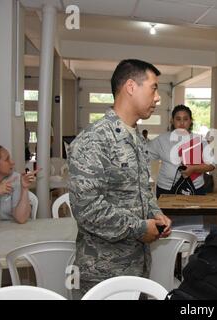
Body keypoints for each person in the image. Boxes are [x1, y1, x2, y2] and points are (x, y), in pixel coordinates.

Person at [68, 59, 172, 296]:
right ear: (131, 87)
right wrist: (138, 228)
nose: (158, 98)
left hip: (138, 266)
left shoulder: (136, 138)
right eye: (154, 88)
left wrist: (155, 214)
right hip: (105, 272)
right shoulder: (94, 141)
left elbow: (142, 189)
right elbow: (88, 209)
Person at [148, 104, 215, 198]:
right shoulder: (161, 140)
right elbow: (144, 154)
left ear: (191, 121)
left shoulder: (200, 140)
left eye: (185, 119)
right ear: (172, 120)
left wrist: (194, 169)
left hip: (195, 188)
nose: (182, 123)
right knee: (166, 213)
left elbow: (212, 165)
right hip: (166, 189)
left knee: (194, 213)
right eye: (178, 119)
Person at [0, 145, 40, 223]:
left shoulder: (15, 179)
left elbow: (21, 219)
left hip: (13, 230)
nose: (12, 162)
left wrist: (24, 188)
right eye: (7, 159)